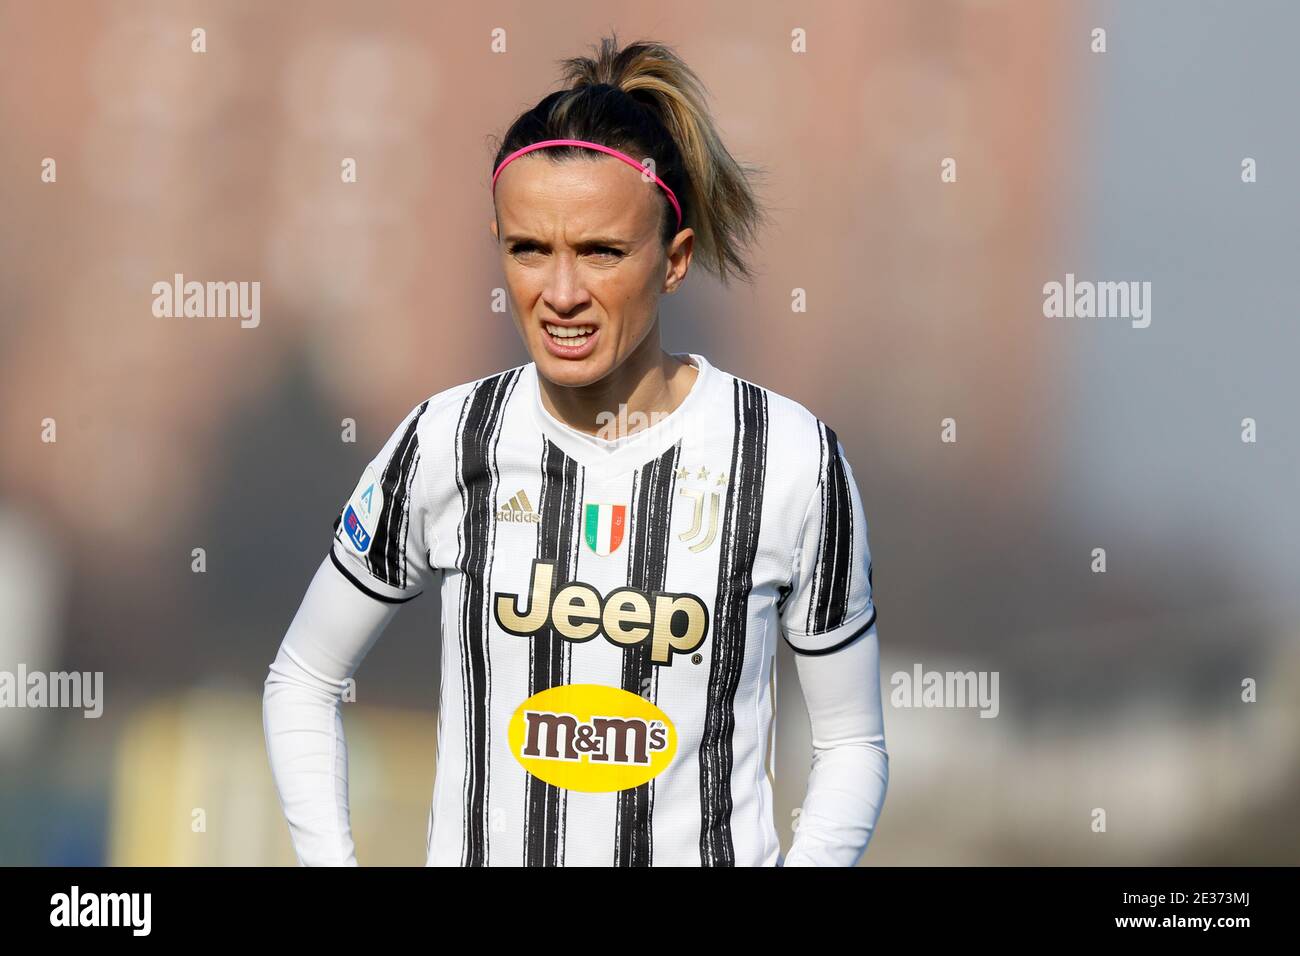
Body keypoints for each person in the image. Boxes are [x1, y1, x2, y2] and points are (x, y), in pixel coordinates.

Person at [263, 34, 888, 867]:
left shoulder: (792, 462)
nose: (561, 293)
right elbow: (303, 680)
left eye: (600, 252)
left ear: (674, 261)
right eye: (530, 249)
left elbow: (851, 745)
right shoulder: (446, 441)